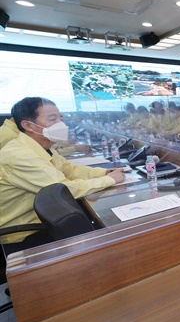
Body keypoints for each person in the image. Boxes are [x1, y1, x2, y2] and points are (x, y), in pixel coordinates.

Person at [0, 97, 125, 243]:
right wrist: (110, 180)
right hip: (25, 233)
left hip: (47, 216)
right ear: (29, 125)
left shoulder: (41, 146)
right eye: (52, 119)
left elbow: (68, 169)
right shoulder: (21, 156)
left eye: (61, 118)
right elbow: (63, 189)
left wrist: (103, 172)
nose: (61, 124)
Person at [1, 116, 92, 155]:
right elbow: (43, 155)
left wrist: (65, 143)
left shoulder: (15, 130)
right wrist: (75, 149)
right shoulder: (10, 136)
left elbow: (44, 149)